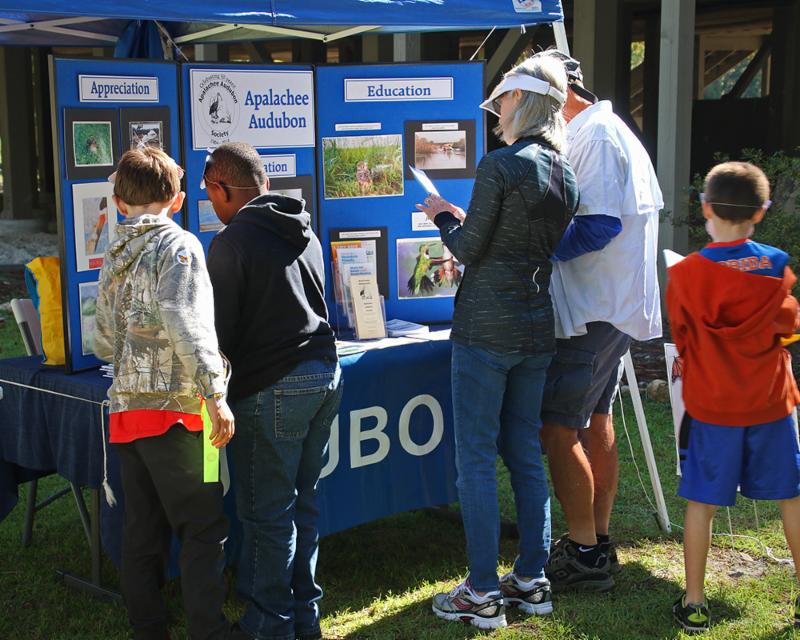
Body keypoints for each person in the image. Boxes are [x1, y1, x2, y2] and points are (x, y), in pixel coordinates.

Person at [416, 55, 579, 630]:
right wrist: (466, 220)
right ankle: (532, 579)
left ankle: (482, 592)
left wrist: (443, 217)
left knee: (477, 461)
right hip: (536, 327)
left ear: (522, 102)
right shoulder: (564, 172)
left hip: (486, 332)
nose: (497, 110)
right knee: (525, 455)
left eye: (504, 100)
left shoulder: (500, 164)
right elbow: (513, 240)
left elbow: (467, 249)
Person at [534, 50, 664, 593]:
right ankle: (597, 540)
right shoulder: (599, 130)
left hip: (593, 310)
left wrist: (528, 245)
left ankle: (585, 553)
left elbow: (599, 226)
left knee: (558, 428)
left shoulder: (598, 136)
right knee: (593, 419)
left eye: (529, 95)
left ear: (560, 92)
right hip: (606, 306)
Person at [93, 147, 235, 640]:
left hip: (127, 412)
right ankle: (209, 632)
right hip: (178, 412)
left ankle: (148, 628)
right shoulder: (180, 245)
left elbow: (103, 339)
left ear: (118, 202)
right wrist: (215, 395)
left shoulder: (113, 253)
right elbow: (185, 321)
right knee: (202, 529)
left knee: (142, 530)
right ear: (177, 200)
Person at [203, 142, 342, 640]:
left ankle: (268, 625)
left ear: (222, 188)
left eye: (208, 193)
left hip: (273, 386)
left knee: (267, 515)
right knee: (301, 503)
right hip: (324, 375)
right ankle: (303, 618)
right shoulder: (303, 226)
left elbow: (220, 337)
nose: (209, 203)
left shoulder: (230, 242)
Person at [666, 161, 800, 632]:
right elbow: (789, 327)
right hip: (770, 402)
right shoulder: (777, 264)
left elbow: (683, 337)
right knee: (792, 499)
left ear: (706, 207)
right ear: (761, 212)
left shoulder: (686, 273)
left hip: (713, 405)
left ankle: (695, 602)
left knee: (701, 503)